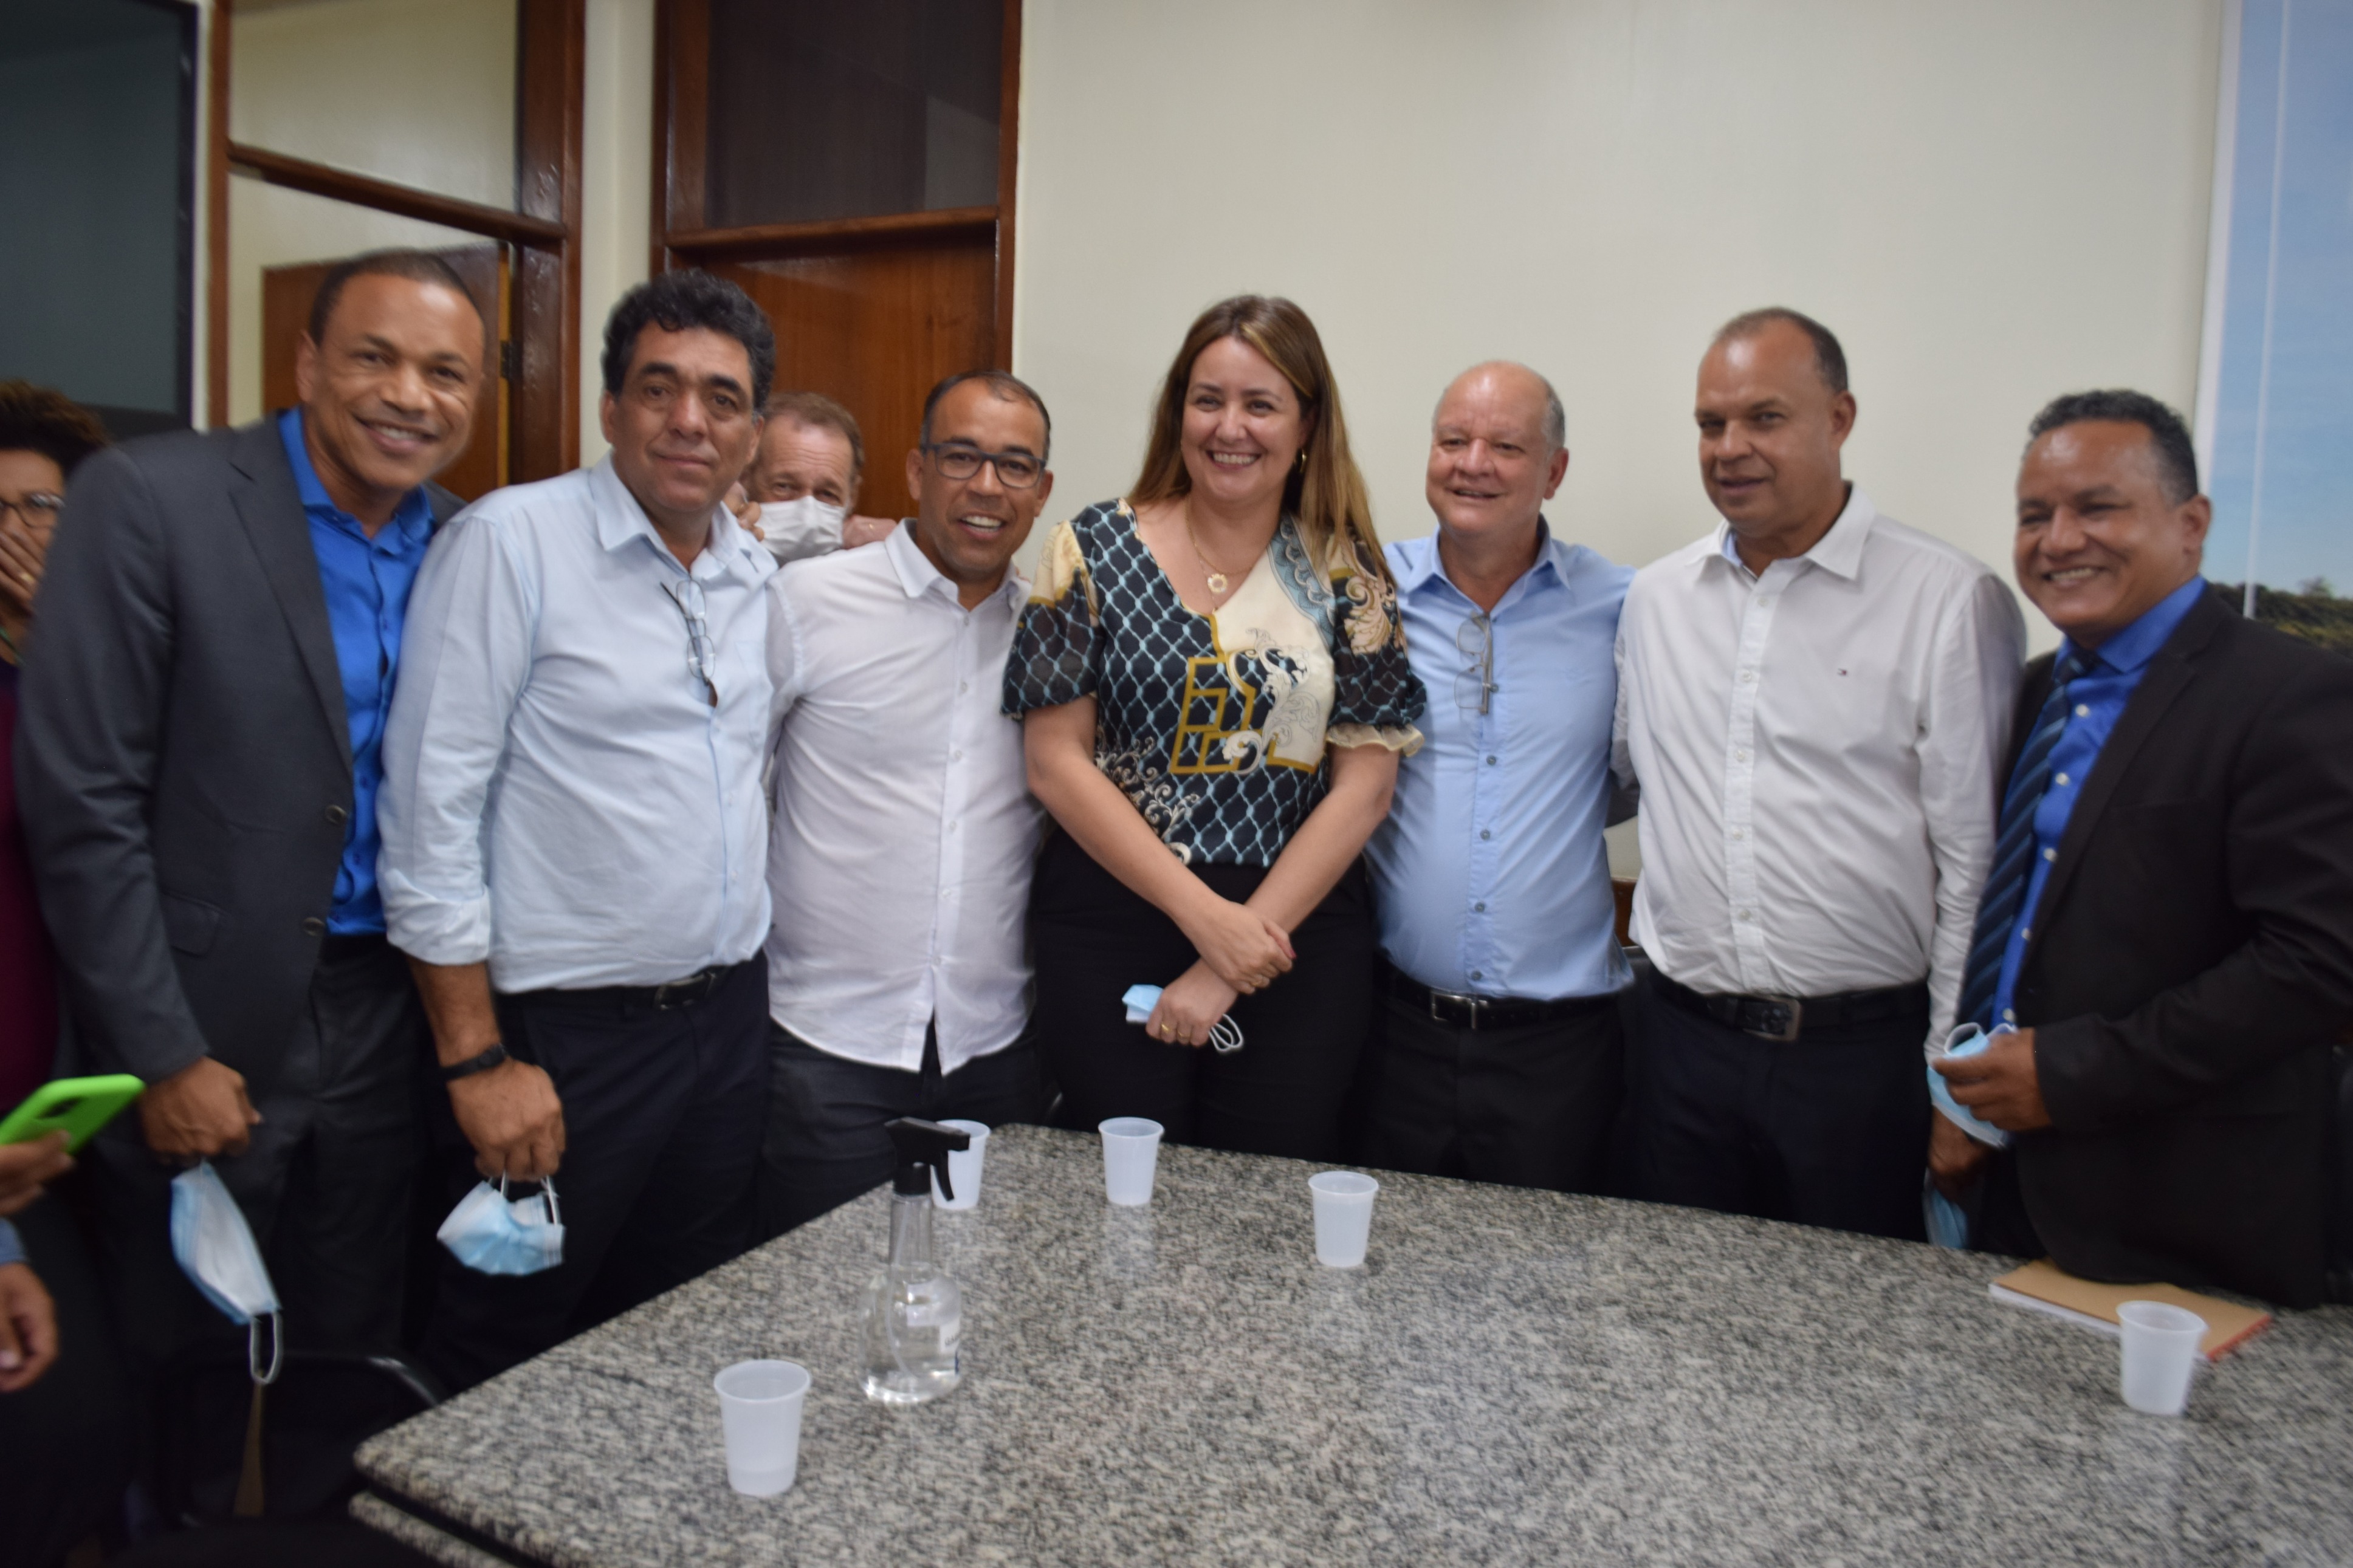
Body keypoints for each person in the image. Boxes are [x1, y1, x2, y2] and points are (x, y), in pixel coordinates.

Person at [18, 253, 486, 1380]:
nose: (410, 396)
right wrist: (163, 1054)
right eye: (375, 358)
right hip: (205, 1012)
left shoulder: (467, 536)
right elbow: (84, 801)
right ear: (308, 362)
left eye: (445, 373)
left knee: (349, 1347)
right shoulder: (150, 498)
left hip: (389, 1010)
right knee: (189, 1362)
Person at [382, 270, 778, 1389]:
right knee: (503, 1348)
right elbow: (428, 816)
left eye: (722, 399)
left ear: (752, 433)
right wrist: (477, 1060)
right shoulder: (511, 543)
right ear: (610, 408)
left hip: (723, 1029)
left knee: (676, 1331)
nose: (690, 420)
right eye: (659, 389)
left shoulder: (754, 574)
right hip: (560, 1043)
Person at [1932, 391, 2353, 1307]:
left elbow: (2317, 962)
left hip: (2183, 1209)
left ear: (2190, 525)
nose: (2059, 540)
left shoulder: (2292, 696)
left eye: (2098, 507)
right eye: (2034, 516)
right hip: (2011, 1180)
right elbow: (2009, 912)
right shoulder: (2030, 693)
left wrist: (2068, 1075)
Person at [1613, 307, 2023, 1241]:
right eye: (1711, 423)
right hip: (1679, 1052)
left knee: (1858, 1320)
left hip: (1861, 1065)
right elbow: (1628, 777)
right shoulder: (1656, 600)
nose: (1731, 447)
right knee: (1672, 1307)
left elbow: (1976, 869)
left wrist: (1954, 1090)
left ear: (1840, 419)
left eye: (1765, 418)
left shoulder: (1948, 601)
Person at [1006, 295, 1426, 1160]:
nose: (1230, 427)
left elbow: (1365, 789)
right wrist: (1207, 921)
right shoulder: (1089, 549)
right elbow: (1054, 763)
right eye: (1208, 400)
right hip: (1110, 920)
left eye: (1260, 404)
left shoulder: (1348, 571)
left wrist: (1237, 950)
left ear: (1306, 425)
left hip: (1293, 935)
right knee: (1116, 1193)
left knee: (1261, 1205)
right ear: (1178, 413)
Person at [755, 370, 1055, 1235]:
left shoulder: (1052, 636)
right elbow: (732, 791)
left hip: (994, 1050)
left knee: (988, 1290)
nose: (987, 486)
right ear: (917, 471)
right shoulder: (807, 602)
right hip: (824, 1048)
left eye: (1014, 465)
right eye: (961, 457)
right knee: (817, 1291)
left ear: (1041, 491)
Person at [1358, 363, 1633, 1191]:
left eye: (1506, 447)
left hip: (1560, 1047)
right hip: (1391, 1027)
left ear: (1555, 470)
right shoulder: (1368, 594)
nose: (1472, 463)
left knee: (1551, 1264)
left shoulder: (1624, 607)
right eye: (1453, 440)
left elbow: (1641, 773)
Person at [0, 382, 109, 1109]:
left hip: (97, 1003)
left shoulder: (117, 654)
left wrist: (57, 626)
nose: (13, 529)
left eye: (40, 506)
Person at [737, 389, 895, 561]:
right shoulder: (718, 558)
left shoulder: (875, 565)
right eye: (784, 487)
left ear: (852, 497)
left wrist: (898, 551)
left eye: (827, 494)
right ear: (744, 478)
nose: (808, 518)